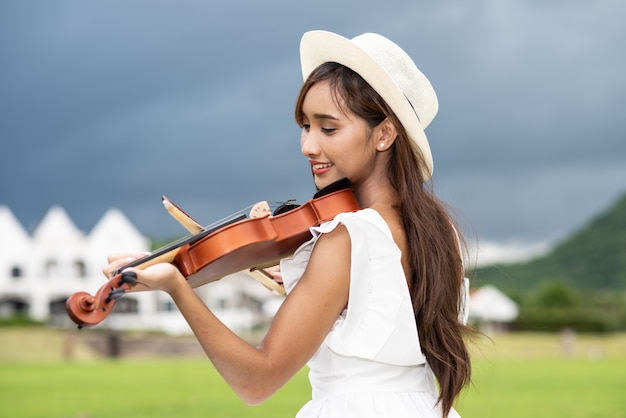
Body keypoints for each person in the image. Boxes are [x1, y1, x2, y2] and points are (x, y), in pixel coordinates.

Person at [105, 30, 473, 417]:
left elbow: (256, 381)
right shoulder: (439, 233)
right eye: (305, 126)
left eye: (328, 128)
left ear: (384, 134)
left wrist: (177, 287)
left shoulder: (348, 237)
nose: (308, 146)